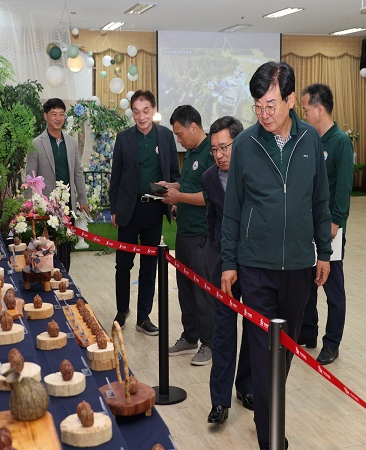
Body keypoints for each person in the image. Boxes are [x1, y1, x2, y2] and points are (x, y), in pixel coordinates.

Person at [220, 61, 332, 450]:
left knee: (285, 351)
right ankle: (271, 439)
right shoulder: (247, 145)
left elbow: (321, 201)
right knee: (263, 351)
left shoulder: (310, 141)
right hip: (256, 267)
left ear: (289, 100)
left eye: (270, 105)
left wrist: (324, 252)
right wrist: (229, 263)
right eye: (257, 106)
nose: (264, 115)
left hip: (300, 266)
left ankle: (266, 407)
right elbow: (232, 208)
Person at [109, 90, 180, 335]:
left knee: (150, 266)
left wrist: (172, 199)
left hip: (153, 210)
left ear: (154, 110)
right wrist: (114, 209)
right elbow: (115, 177)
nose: (141, 117)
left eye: (146, 111)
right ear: (132, 112)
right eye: (136, 112)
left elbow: (174, 175)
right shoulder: (124, 138)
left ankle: (143, 316)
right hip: (129, 210)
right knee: (123, 264)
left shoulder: (166, 137)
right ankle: (122, 310)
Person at [299, 83, 354, 366]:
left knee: (332, 285)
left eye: (306, 109)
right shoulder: (311, 139)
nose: (304, 114)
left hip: (329, 228)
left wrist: (335, 223)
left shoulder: (340, 142)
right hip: (307, 224)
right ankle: (307, 332)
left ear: (319, 109)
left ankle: (331, 343)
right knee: (307, 283)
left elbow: (343, 188)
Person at [202, 116, 252, 424]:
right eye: (214, 149)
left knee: (253, 329)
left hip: (255, 264)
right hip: (223, 264)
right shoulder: (209, 177)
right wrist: (214, 253)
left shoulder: (254, 171)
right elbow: (212, 218)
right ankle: (219, 402)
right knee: (223, 331)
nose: (219, 154)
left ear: (238, 143)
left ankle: (245, 387)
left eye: (224, 147)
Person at [159, 105, 215, 366]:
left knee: (203, 290)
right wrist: (172, 186)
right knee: (185, 289)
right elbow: (191, 184)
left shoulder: (211, 153)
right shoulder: (192, 152)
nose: (178, 140)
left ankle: (210, 343)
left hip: (202, 235)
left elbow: (210, 196)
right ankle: (190, 335)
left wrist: (179, 197)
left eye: (180, 134)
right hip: (185, 232)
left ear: (194, 127)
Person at [26, 98, 89, 272]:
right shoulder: (36, 144)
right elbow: (30, 178)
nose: (58, 118)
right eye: (54, 114)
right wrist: (30, 207)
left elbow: (77, 173)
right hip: (45, 208)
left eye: (61, 114)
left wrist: (83, 201)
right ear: (45, 116)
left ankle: (65, 283)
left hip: (66, 207)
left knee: (65, 252)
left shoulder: (71, 142)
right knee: (45, 251)